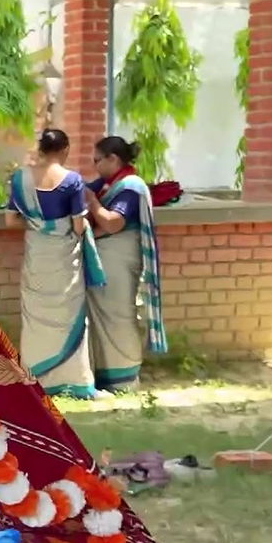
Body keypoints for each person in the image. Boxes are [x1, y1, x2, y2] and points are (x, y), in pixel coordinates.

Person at [5, 128, 104, 399]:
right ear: (65, 150)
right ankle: (77, 382)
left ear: (40, 149)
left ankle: (35, 378)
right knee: (70, 315)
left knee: (35, 317)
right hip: (64, 256)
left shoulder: (19, 178)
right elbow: (78, 226)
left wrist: (39, 225)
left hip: (37, 254)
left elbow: (11, 221)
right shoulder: (72, 180)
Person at [83, 136, 168, 392]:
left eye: (98, 160)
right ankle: (106, 375)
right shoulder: (110, 183)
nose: (95, 166)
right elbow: (82, 189)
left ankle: (125, 378)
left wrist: (93, 203)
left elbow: (112, 222)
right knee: (102, 316)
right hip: (106, 258)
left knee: (119, 315)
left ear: (113, 159)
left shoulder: (130, 186)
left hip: (120, 258)